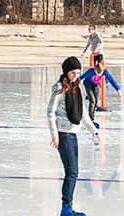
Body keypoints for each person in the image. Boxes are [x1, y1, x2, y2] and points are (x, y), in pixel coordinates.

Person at [47, 56, 99, 216]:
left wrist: (93, 131)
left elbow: (83, 113)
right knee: (72, 172)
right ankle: (66, 209)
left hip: (73, 134)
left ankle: (68, 207)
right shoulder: (59, 88)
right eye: (72, 73)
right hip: (64, 134)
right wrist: (55, 135)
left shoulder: (77, 88)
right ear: (66, 72)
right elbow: (50, 112)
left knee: (73, 172)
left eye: (78, 72)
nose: (75, 76)